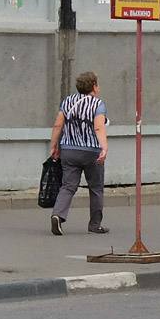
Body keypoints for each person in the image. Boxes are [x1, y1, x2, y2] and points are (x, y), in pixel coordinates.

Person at [48, 71, 109, 235]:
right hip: (91, 152)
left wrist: (54, 146)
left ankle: (58, 215)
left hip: (68, 151)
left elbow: (58, 126)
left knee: (68, 186)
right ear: (94, 87)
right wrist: (104, 148)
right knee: (96, 188)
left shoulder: (68, 101)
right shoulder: (98, 104)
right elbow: (98, 127)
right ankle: (95, 225)